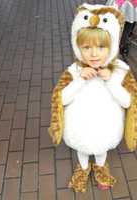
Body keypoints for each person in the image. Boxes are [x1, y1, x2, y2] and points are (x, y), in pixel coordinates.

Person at [49, 3, 137, 193]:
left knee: (101, 148)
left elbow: (128, 102)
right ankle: (82, 167)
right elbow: (62, 99)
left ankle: (100, 167)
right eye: (86, 47)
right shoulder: (74, 70)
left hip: (106, 124)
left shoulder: (120, 72)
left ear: (112, 45)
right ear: (77, 46)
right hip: (80, 124)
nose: (94, 53)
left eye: (101, 47)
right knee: (82, 147)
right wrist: (79, 80)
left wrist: (110, 81)